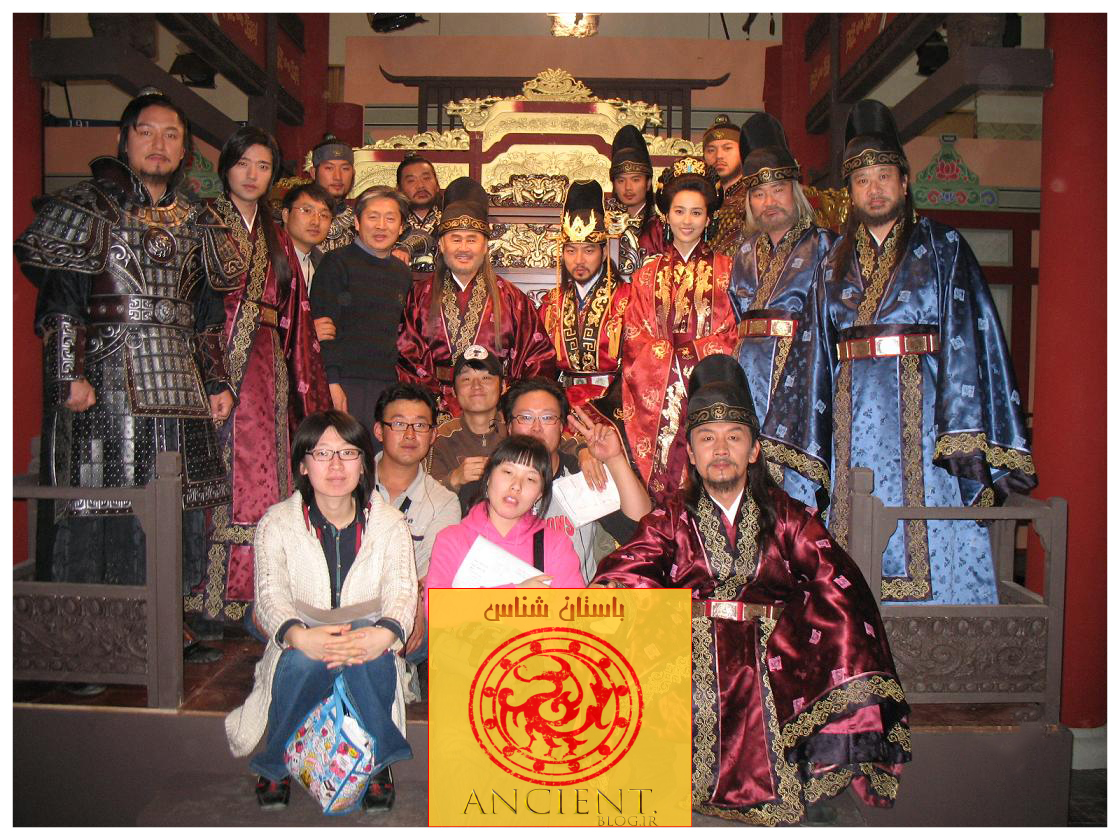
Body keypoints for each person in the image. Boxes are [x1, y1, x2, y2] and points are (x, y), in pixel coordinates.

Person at [590, 354, 911, 825]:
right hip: (686, 652)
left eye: (734, 437)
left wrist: (794, 633)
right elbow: (628, 570)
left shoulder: (789, 517)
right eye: (707, 438)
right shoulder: (669, 518)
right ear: (691, 453)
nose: (720, 449)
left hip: (768, 655)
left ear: (754, 450)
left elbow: (836, 583)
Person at [764, 99, 1037, 605]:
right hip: (850, 426)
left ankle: (945, 625)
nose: (874, 189)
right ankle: (856, 628)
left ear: (905, 182)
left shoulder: (944, 246)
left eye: (884, 177)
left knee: (934, 526)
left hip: (928, 424)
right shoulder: (832, 263)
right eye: (862, 180)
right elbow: (813, 356)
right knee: (853, 525)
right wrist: (802, 439)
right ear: (850, 193)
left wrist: (961, 432)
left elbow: (971, 340)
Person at [15, 90, 243, 668]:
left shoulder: (199, 219)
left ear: (185, 150)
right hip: (108, 377)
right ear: (124, 139)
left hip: (178, 380)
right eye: (147, 132)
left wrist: (217, 381)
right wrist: (69, 374)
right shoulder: (87, 206)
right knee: (101, 502)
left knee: (177, 504)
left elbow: (207, 313)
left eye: (171, 135)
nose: (158, 144)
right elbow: (62, 300)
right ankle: (85, 640)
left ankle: (166, 625)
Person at [226, 410, 416, 812]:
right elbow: (269, 594)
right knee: (301, 662)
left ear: (363, 464)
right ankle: (287, 762)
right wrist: (300, 636)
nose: (335, 465)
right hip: (303, 635)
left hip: (368, 634)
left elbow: (402, 592)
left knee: (369, 653)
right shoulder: (277, 523)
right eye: (322, 453)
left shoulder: (390, 523)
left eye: (348, 453)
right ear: (303, 465)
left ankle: (369, 762)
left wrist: (384, 633)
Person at [192, 126, 332, 629]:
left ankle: (258, 596)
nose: (252, 175)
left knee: (266, 475)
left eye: (264, 166)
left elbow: (294, 312)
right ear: (226, 166)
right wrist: (213, 375)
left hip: (268, 367)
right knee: (217, 474)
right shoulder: (203, 222)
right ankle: (206, 598)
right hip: (214, 355)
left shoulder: (274, 234)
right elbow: (194, 302)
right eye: (243, 163)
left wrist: (304, 388)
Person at [613, 156, 737, 498]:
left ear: (708, 218)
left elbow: (732, 333)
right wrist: (671, 362)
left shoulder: (728, 271)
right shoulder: (646, 275)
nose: (687, 220)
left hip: (710, 385)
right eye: (679, 211)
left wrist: (688, 357)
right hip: (659, 391)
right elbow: (635, 336)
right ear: (666, 216)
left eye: (696, 212)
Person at [729, 113, 835, 510]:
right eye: (759, 194)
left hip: (803, 380)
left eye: (778, 190)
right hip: (749, 382)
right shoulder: (743, 253)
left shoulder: (826, 246)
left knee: (796, 493)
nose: (769, 202)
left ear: (795, 191)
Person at [396, 176, 558, 417]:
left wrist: (510, 404)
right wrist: (435, 403)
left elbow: (537, 357)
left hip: (497, 410)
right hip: (435, 409)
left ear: (485, 246)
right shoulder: (419, 296)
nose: (463, 248)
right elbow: (407, 356)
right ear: (442, 245)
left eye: (472, 240)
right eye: (456, 239)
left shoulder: (512, 298)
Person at [461, 378, 651, 583]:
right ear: (509, 426)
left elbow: (638, 531)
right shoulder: (483, 486)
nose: (536, 428)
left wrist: (614, 459)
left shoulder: (581, 474)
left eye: (547, 418)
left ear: (561, 426)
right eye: (526, 417)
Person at [370, 383, 461, 680]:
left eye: (420, 425)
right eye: (398, 424)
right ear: (379, 431)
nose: (410, 434)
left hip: (406, 605)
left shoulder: (443, 502)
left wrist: (416, 606)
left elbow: (432, 571)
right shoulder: (348, 482)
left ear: (433, 435)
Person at [425, 435, 584, 599]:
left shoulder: (555, 545)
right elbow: (437, 608)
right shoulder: (452, 539)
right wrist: (515, 595)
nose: (516, 485)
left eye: (530, 479)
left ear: (539, 494)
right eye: (508, 472)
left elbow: (574, 608)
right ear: (488, 477)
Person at [310, 185, 413, 432]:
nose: (381, 226)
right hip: (345, 381)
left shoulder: (402, 273)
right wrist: (332, 382)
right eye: (373, 217)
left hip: (387, 383)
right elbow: (323, 328)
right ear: (357, 222)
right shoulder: (336, 263)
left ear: (401, 227)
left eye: (390, 219)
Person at [537, 179, 630, 413]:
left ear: (604, 251)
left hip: (613, 403)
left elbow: (639, 363)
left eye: (588, 250)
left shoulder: (628, 299)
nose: (579, 260)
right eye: (571, 250)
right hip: (562, 405)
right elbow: (540, 363)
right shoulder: (551, 303)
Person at [427, 345, 508, 492]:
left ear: (502, 386)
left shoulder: (516, 430)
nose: (476, 386)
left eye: (485, 378)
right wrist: (454, 479)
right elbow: (425, 494)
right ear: (453, 390)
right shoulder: (439, 438)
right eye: (466, 379)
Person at [605, 125, 664, 279]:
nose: (628, 187)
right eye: (621, 180)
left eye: (636, 179)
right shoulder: (602, 225)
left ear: (648, 183)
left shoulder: (661, 228)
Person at [703, 114, 747, 257]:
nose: (719, 156)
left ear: (742, 152)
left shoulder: (754, 197)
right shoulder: (701, 198)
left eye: (727, 148)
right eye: (711, 150)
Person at [281, 181, 334, 294]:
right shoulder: (266, 257)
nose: (316, 222)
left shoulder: (325, 265)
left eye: (324, 215)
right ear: (286, 215)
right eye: (307, 211)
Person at [309, 134, 356, 253]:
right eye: (329, 168)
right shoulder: (299, 216)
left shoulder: (360, 220)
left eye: (345, 169)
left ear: (353, 173)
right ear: (313, 173)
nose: (338, 177)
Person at [396, 154, 441, 272]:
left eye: (426, 178)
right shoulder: (392, 222)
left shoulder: (451, 219)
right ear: (399, 189)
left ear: (437, 185)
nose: (420, 186)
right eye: (411, 181)